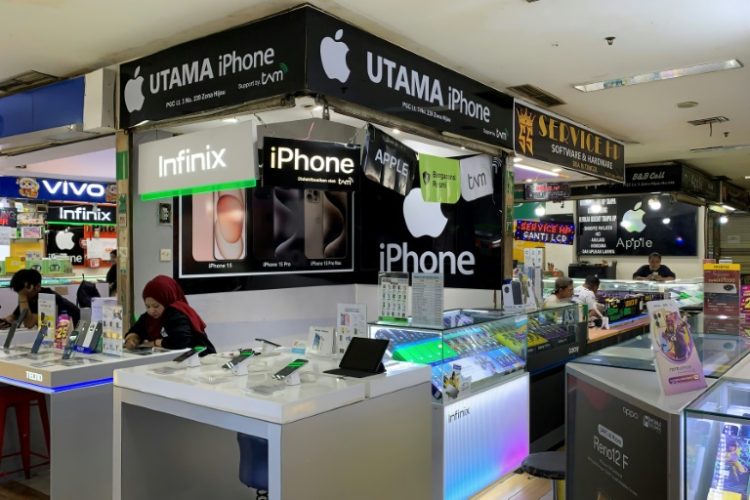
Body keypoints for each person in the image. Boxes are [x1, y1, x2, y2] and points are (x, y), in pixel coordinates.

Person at [124, 275, 215, 354]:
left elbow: (180, 341)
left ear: (167, 301)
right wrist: (132, 339)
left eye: (156, 306)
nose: (151, 310)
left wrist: (155, 343)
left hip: (199, 359)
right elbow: (136, 330)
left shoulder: (176, 312)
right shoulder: (148, 317)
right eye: (147, 306)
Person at [1, 269, 80, 329]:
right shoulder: (30, 296)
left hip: (73, 332)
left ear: (37, 287)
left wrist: (22, 296)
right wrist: (4, 321)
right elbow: (15, 316)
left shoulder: (48, 297)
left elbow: (29, 323)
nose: (21, 294)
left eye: (23, 291)